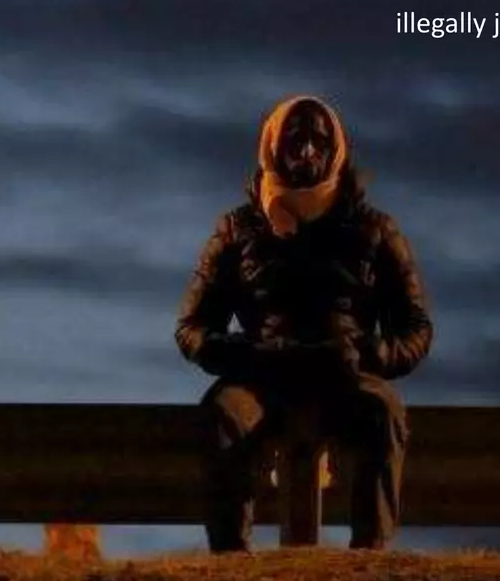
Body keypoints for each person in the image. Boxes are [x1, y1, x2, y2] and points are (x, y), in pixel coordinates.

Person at [176, 95, 433, 552]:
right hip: (262, 382)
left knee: (383, 413)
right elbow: (192, 328)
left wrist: (371, 355)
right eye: (295, 140)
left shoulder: (375, 230)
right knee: (222, 415)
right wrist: (244, 355)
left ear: (336, 150)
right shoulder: (237, 230)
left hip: (345, 378)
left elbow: (416, 327)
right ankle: (230, 565)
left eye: (318, 140)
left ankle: (369, 566)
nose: (308, 152)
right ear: (273, 147)